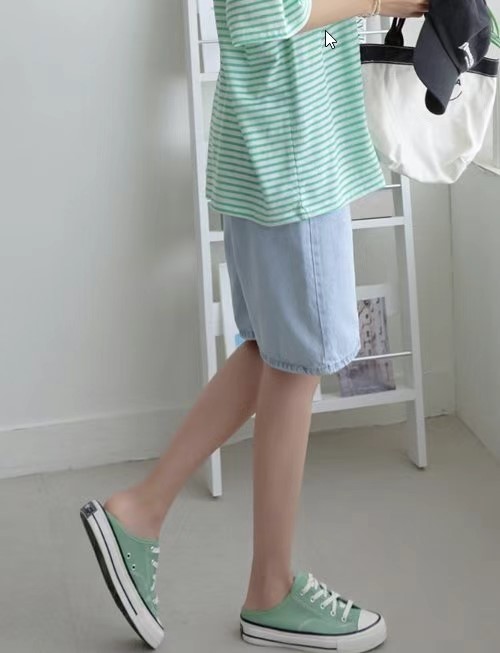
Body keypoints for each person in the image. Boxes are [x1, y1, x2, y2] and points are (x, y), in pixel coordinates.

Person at [80, 0, 429, 650]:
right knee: (298, 362)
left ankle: (141, 511)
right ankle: (269, 590)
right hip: (291, 162)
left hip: (280, 153)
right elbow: (263, 15)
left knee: (274, 353)